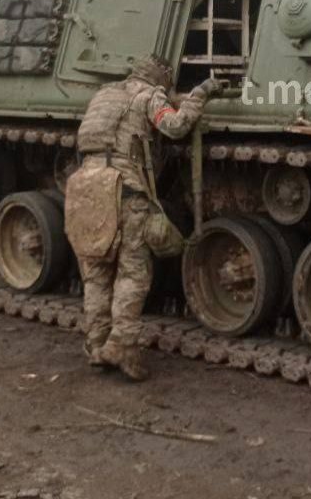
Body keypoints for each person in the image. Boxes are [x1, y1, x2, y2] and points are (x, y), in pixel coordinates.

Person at [65, 57, 218, 380]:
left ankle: (97, 343)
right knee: (133, 272)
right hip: (123, 189)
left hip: (83, 187)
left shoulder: (103, 95)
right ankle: (122, 346)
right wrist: (199, 94)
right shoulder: (148, 96)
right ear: (159, 80)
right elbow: (175, 126)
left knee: (95, 270)